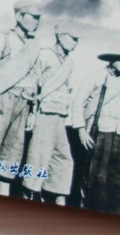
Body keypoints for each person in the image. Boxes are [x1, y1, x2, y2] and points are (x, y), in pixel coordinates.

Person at [0, 0, 43, 196]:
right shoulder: (1, 38)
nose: (37, 22)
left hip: (23, 104)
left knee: (12, 153)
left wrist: (32, 111)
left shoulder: (33, 45)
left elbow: (34, 79)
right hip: (1, 100)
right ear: (19, 16)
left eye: (39, 18)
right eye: (33, 17)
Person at [71, 53, 120, 215]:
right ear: (111, 60)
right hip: (97, 133)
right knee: (94, 178)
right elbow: (78, 101)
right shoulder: (96, 76)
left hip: (116, 135)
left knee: (117, 180)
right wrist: (81, 129)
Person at [21, 23, 78, 205]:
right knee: (38, 158)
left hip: (59, 117)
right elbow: (32, 80)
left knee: (63, 159)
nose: (75, 42)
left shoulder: (69, 62)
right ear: (60, 36)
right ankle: (28, 199)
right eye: (73, 38)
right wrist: (32, 110)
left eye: (77, 39)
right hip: (44, 113)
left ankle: (56, 199)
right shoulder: (46, 54)